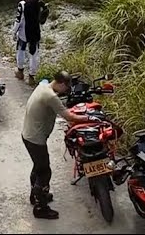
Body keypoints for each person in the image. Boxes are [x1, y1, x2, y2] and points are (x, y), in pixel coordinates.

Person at [22, 71, 94, 219]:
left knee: (38, 167)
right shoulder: (51, 96)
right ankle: (40, 208)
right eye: (66, 87)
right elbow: (69, 116)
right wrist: (89, 118)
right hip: (35, 140)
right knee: (44, 172)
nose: (66, 90)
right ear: (61, 84)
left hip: (28, 135)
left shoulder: (43, 86)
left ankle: (35, 196)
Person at [11, 0, 48, 82]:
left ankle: (20, 71)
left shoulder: (22, 4)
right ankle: (32, 76)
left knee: (21, 50)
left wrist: (14, 32)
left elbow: (18, 20)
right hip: (35, 30)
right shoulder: (37, 1)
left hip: (24, 32)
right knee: (34, 53)